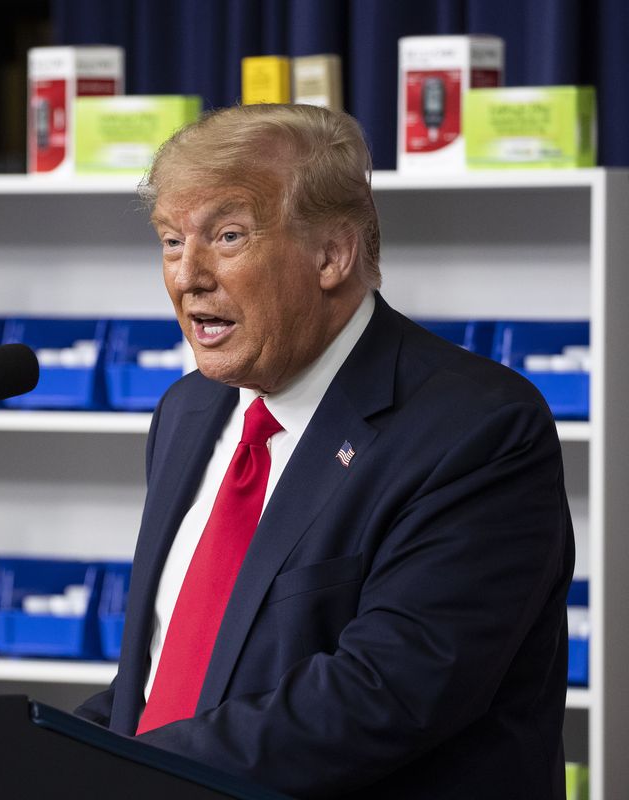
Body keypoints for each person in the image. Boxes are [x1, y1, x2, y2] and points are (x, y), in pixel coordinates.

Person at [75, 104, 574, 799]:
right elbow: (168, 677)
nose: (189, 275)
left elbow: (384, 695)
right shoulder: (187, 411)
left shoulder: (477, 428)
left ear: (332, 254)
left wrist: (121, 777)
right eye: (168, 241)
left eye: (227, 235)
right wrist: (46, 755)